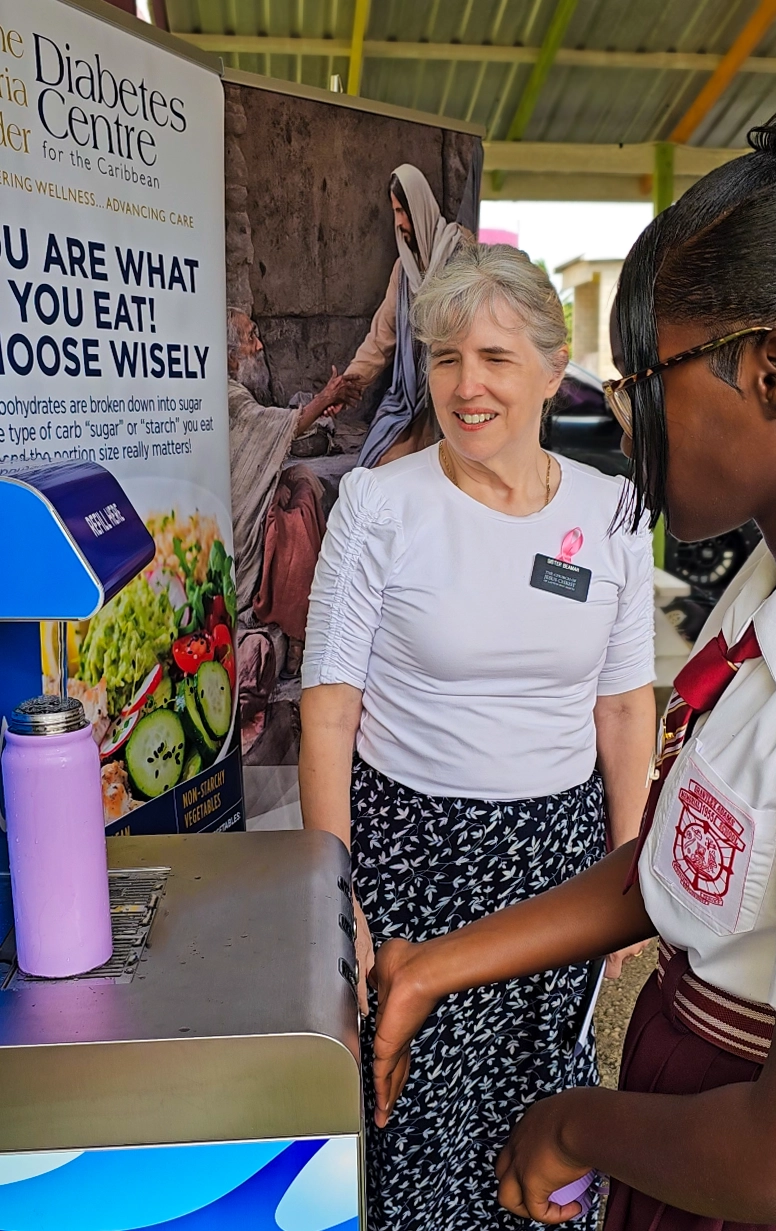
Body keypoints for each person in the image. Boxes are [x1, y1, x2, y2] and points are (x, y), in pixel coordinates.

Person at [370, 88, 776, 1231]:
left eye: (645, 380)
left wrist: (574, 1122)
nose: (625, 422)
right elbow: (684, 865)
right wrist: (436, 964)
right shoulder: (770, 594)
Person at [300, 243, 657, 1230]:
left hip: (561, 859)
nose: (468, 386)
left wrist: (629, 869)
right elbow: (328, 707)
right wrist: (340, 898)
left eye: (496, 358)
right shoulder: (381, 505)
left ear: (553, 366)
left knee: (545, 1111)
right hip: (417, 856)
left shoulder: (615, 509)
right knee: (415, 1108)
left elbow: (626, 704)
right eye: (447, 358)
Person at [227, 307, 360, 612]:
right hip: (237, 521)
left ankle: (314, 608)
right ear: (231, 356)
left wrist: (319, 408)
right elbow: (273, 426)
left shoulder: (237, 392)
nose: (259, 346)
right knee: (292, 522)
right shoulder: (228, 396)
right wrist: (324, 398)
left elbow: (277, 427)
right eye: (250, 338)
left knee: (301, 481)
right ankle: (294, 616)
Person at [339, 164, 471, 469]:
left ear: (420, 207)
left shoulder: (461, 255)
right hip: (411, 400)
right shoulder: (404, 272)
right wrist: (348, 384)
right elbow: (381, 338)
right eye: (395, 212)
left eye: (403, 212)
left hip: (452, 396)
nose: (399, 223)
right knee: (377, 464)